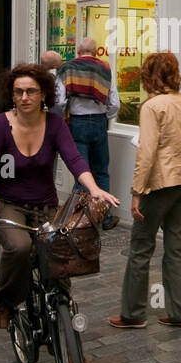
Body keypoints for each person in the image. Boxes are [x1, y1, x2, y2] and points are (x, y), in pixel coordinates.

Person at [0, 63, 119, 329]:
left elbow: (74, 159)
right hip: (8, 205)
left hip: (47, 207)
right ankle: (4, 300)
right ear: (12, 95)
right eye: (18, 92)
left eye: (30, 91)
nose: (24, 98)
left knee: (60, 269)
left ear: (43, 94)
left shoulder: (54, 124)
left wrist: (94, 189)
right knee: (20, 248)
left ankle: (69, 351)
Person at [109, 52, 181, 329]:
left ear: (149, 76)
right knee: (176, 248)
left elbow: (146, 152)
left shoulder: (151, 106)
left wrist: (136, 191)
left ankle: (133, 313)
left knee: (140, 248)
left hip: (159, 184)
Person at [60, 39, 121, 230]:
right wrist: (105, 116)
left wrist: (63, 117)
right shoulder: (104, 69)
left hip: (77, 123)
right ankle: (105, 215)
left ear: (78, 50)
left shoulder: (67, 68)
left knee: (81, 172)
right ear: (96, 52)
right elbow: (115, 103)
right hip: (99, 122)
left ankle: (75, 217)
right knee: (101, 170)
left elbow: (59, 100)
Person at [40, 49, 67, 116]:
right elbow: (61, 100)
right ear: (54, 66)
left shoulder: (38, 77)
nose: (63, 64)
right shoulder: (58, 77)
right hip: (56, 110)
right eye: (61, 62)